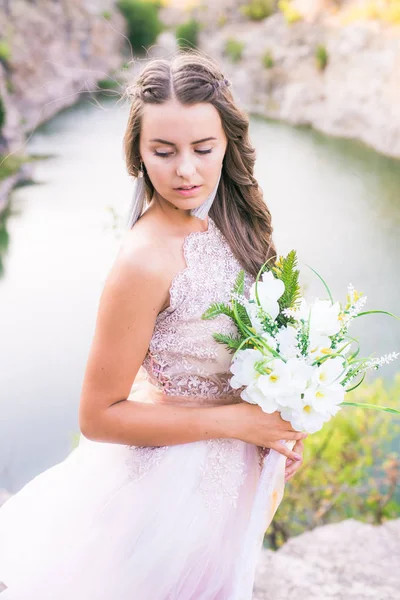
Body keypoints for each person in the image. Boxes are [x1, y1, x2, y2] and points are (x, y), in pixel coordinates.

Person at [0, 50, 307, 599]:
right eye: (163, 152)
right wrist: (241, 423)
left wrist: (283, 420)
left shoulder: (227, 223)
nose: (185, 170)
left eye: (203, 149)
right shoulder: (143, 261)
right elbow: (98, 416)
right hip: (168, 496)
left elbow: (254, 349)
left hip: (229, 481)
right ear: (138, 155)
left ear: (228, 145)